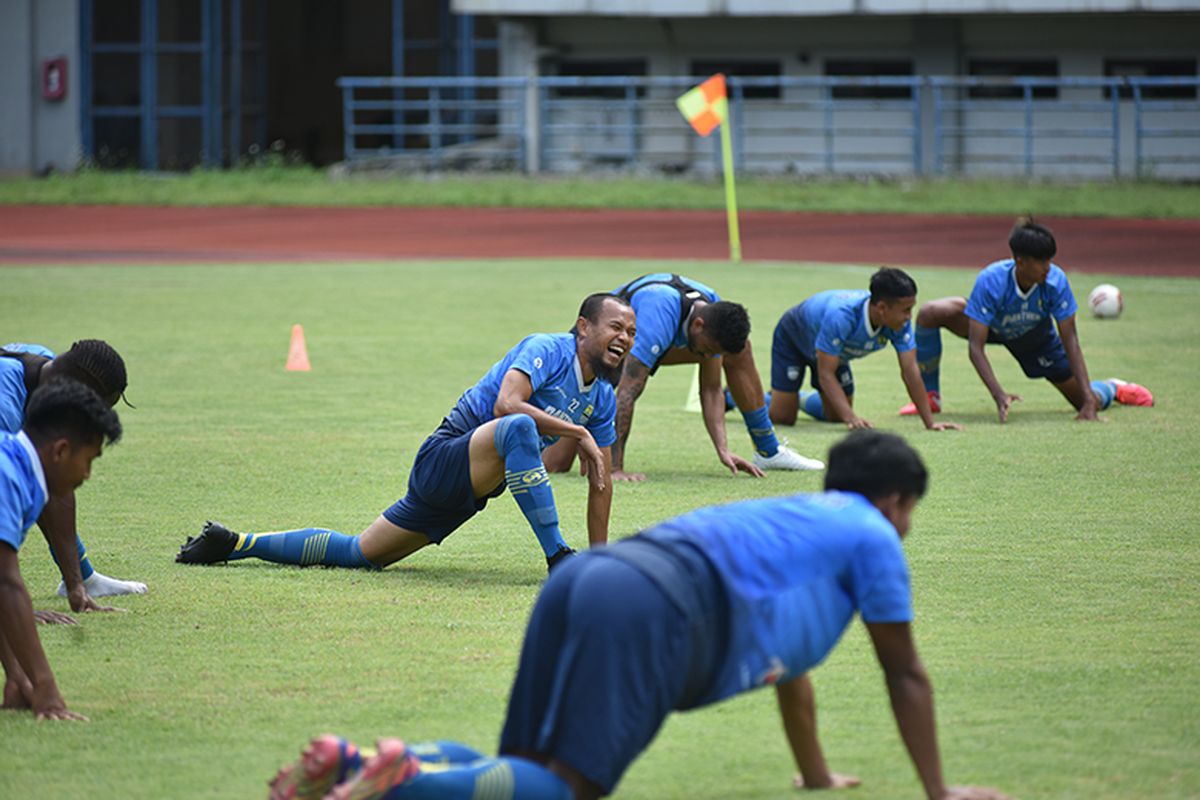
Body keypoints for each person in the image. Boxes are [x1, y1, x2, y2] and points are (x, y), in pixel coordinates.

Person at [269, 431, 1010, 800]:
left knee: (527, 776)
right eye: (911, 512)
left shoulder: (801, 524)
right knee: (571, 787)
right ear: (894, 502)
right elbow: (905, 672)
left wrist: (817, 779)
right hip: (660, 602)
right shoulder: (872, 533)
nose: (906, 527)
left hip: (589, 576)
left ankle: (357, 761)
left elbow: (797, 672)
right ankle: (399, 782)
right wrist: (941, 794)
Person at [176, 293, 637, 573]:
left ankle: (234, 544)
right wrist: (576, 432)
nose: (626, 338)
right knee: (517, 425)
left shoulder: (600, 396)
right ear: (583, 327)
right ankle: (558, 557)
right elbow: (507, 406)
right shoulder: (546, 349)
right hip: (444, 457)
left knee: (359, 554)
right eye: (616, 326)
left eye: (632, 332)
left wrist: (600, 560)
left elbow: (601, 481)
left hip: (469, 490)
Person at [546, 273, 823, 482]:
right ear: (698, 324)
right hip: (600, 349)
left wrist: (723, 450)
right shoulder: (659, 315)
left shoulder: (712, 311)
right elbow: (627, 392)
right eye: (709, 350)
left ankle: (767, 449)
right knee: (555, 464)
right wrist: (615, 468)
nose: (708, 355)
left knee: (740, 350)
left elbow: (711, 389)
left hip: (645, 344)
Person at [897, 218, 1153, 422]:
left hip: (1035, 338)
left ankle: (1114, 388)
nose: (1048, 268)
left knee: (1087, 401)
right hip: (994, 327)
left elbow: (1070, 339)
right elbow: (976, 347)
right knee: (931, 312)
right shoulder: (992, 280)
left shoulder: (1055, 281)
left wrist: (1087, 400)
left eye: (1050, 261)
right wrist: (998, 394)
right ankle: (931, 396)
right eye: (1041, 262)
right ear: (1020, 261)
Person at [1, 381, 123, 721]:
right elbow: (6, 585)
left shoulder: (22, 475)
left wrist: (16, 676)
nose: (86, 474)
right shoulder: (7, 475)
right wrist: (45, 689)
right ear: (60, 451)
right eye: (89, 460)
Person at [0, 340, 145, 615]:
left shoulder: (46, 366)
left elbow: (54, 483)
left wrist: (77, 583)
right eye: (95, 406)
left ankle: (84, 580)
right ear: (77, 388)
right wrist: (12, 608)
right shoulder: (4, 404)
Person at [767, 267, 962, 432]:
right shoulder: (842, 316)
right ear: (882, 308)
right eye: (905, 310)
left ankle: (796, 398)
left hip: (834, 354)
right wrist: (851, 418)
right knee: (783, 417)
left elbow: (910, 370)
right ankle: (744, 397)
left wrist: (930, 422)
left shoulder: (898, 323)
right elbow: (825, 374)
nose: (909, 317)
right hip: (794, 337)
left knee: (836, 416)